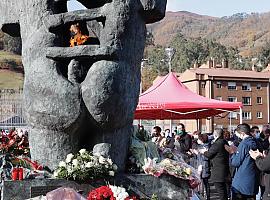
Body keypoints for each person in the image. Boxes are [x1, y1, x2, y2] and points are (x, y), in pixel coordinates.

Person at [225, 123, 259, 200]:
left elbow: (236, 162)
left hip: (242, 183)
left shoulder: (244, 144)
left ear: (242, 133)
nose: (237, 136)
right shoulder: (256, 141)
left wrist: (232, 153)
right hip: (253, 181)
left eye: (237, 134)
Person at [203, 128, 230, 200]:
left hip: (218, 171)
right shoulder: (224, 142)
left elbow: (208, 154)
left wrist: (204, 152)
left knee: (220, 190)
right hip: (223, 169)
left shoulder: (217, 144)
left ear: (215, 135)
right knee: (223, 190)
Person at [195, 134, 211, 200]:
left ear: (202, 140)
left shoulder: (206, 146)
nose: (197, 141)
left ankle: (207, 197)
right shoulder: (200, 146)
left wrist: (201, 153)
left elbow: (207, 157)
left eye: (198, 139)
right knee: (200, 181)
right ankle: (201, 195)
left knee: (205, 182)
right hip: (200, 165)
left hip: (204, 165)